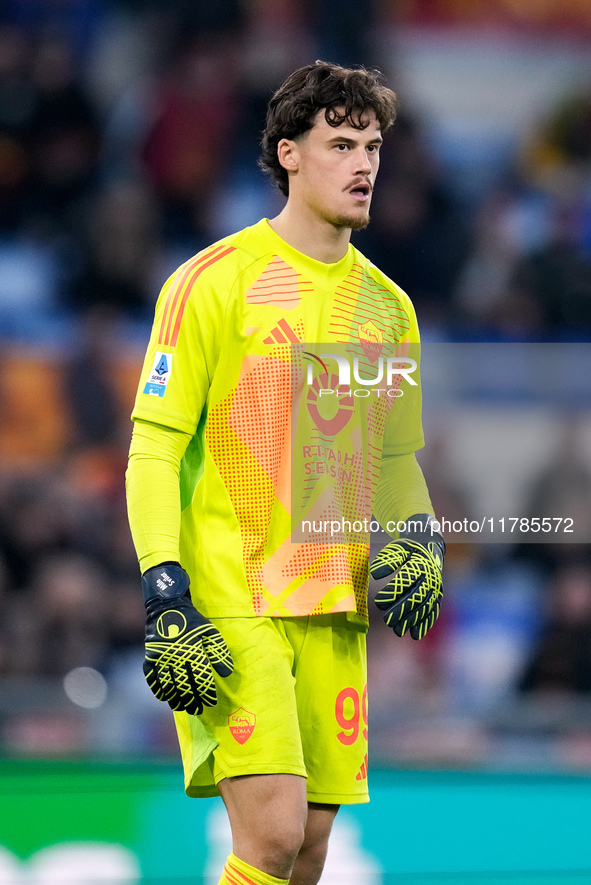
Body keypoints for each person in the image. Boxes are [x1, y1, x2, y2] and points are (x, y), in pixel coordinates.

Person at [126, 61, 445, 885]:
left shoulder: (386, 308)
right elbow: (155, 446)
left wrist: (417, 536)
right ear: (288, 154)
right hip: (234, 597)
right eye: (339, 143)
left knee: (303, 853)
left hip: (331, 606)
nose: (364, 162)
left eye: (372, 144)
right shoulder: (212, 282)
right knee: (267, 836)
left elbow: (390, 458)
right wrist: (165, 589)